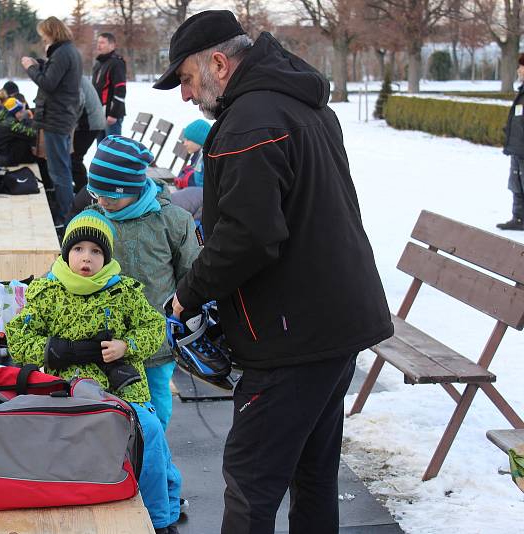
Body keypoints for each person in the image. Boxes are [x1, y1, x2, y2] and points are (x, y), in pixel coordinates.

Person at [155, 11, 393, 534]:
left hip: (292, 336)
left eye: (188, 80)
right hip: (334, 322)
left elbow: (248, 237)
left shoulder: (250, 123)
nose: (186, 96)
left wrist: (186, 296)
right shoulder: (297, 103)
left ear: (219, 63)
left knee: (251, 481)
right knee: (312, 472)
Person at [6, 210, 181, 534]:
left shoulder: (124, 292)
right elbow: (17, 335)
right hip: (65, 385)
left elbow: (155, 326)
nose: (86, 257)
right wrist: (50, 350)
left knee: (150, 431)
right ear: (66, 252)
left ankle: (161, 516)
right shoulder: (46, 293)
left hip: (120, 384)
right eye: (78, 249)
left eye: (96, 251)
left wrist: (126, 346)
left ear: (106, 256)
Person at [86, 136, 199, 432]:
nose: (103, 201)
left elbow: (191, 272)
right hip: (105, 339)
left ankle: (154, 456)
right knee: (110, 410)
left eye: (111, 194)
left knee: (155, 409)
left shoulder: (172, 221)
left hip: (155, 340)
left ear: (134, 189)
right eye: (96, 192)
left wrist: (183, 313)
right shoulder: (93, 219)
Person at [22, 16, 82, 236]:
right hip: (61, 117)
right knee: (61, 169)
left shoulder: (63, 53)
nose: (43, 39)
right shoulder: (66, 51)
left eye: (44, 35)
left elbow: (48, 82)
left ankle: (68, 218)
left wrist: (31, 68)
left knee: (59, 171)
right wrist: (41, 64)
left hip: (57, 118)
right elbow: (53, 74)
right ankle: (67, 213)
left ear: (51, 33)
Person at [499, 53, 524, 231]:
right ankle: (519, 218)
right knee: (516, 184)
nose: (518, 70)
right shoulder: (522, 92)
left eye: (521, 67)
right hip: (517, 147)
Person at [171, 119, 210, 224]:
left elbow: (202, 182)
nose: (184, 143)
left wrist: (185, 180)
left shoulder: (204, 158)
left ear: (199, 140)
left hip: (200, 197)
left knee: (170, 202)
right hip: (195, 193)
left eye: (188, 140)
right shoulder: (199, 155)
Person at [72, 77, 105, 192]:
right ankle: (82, 189)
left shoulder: (72, 78)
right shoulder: (74, 74)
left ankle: (83, 192)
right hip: (90, 121)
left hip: (90, 123)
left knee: (74, 158)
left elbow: (77, 103)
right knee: (74, 157)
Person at [92, 32, 127, 140]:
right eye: (98, 42)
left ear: (112, 45)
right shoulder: (99, 63)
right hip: (99, 114)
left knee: (112, 151)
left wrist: (113, 114)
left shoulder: (116, 63)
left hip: (111, 116)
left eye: (102, 43)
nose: (99, 45)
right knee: (101, 150)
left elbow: (120, 89)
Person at [0, 97, 36, 167]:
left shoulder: (0, 117)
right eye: (20, 112)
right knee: (24, 140)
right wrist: (31, 119)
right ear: (15, 112)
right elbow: (32, 133)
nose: (22, 114)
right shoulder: (11, 125)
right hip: (6, 159)